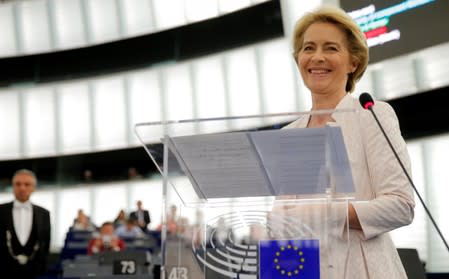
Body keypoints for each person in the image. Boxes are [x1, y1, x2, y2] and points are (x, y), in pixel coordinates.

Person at [283, 6, 415, 278]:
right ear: (298, 59)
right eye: (309, 48)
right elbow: (286, 216)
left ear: (353, 62)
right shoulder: (290, 133)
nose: (317, 57)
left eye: (331, 48)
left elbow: (401, 205)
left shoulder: (371, 115)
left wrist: (328, 212)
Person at [0, 169, 51, 278]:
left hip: (35, 271)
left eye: (27, 184)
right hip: (4, 270)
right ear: (13, 186)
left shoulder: (44, 213)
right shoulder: (1, 211)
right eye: (18, 184)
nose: (22, 188)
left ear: (33, 188)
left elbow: (45, 244)